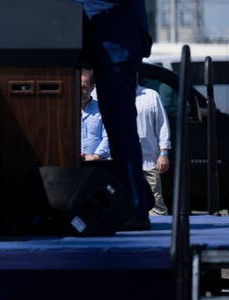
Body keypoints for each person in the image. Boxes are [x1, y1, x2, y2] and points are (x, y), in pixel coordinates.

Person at [80, 0, 154, 230]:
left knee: (120, 127)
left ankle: (136, 206)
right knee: (117, 127)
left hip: (115, 41)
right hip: (96, 40)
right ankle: (133, 198)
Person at [135, 82, 171, 215]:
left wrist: (164, 153)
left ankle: (163, 233)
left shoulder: (151, 95)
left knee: (156, 205)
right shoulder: (115, 95)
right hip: (124, 164)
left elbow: (162, 126)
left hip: (149, 162)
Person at [80, 68, 110, 161]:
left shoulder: (102, 110)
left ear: (92, 88)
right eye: (77, 86)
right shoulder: (67, 111)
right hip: (72, 164)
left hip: (98, 164)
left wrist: (97, 156)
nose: (80, 91)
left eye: (83, 87)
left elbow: (108, 137)